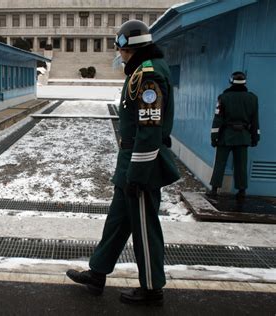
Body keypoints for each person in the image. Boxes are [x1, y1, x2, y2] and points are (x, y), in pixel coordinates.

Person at [66, 20, 180, 306]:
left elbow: (150, 130)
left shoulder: (148, 75)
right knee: (117, 222)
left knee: (144, 227)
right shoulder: (142, 72)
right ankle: (97, 273)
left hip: (142, 165)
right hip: (129, 162)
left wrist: (138, 174)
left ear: (130, 47)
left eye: (120, 49)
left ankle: (152, 288)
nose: (119, 54)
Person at [207, 72, 259, 202]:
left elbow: (217, 119)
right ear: (245, 82)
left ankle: (214, 190)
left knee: (220, 163)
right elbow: (255, 120)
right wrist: (255, 136)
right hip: (243, 137)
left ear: (231, 81)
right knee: (241, 165)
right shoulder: (253, 98)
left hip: (226, 136)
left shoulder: (223, 98)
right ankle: (241, 192)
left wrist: (214, 136)